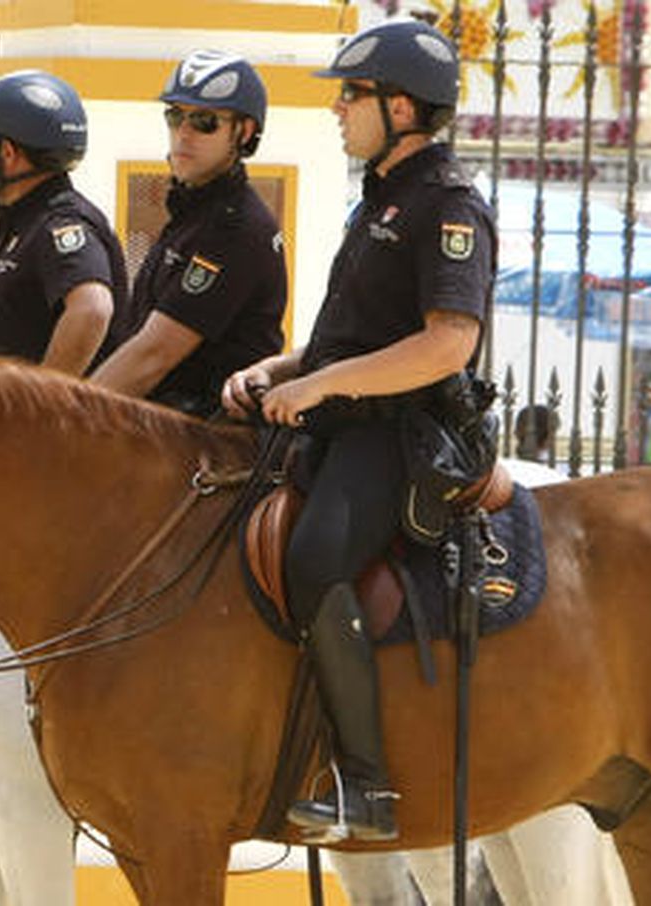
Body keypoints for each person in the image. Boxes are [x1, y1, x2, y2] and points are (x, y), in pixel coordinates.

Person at [221, 20, 496, 842]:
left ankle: (364, 785)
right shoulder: (381, 198)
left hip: (397, 432)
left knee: (314, 559)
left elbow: (449, 340)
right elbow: (355, 334)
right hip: (337, 420)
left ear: (401, 107)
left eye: (353, 94)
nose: (339, 109)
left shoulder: (448, 207)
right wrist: (281, 370)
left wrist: (321, 385)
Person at [89, 51, 286, 416]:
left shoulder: (236, 228)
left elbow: (155, 354)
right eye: (175, 116)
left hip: (209, 441)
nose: (183, 132)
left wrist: (67, 414)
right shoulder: (193, 213)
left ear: (242, 132)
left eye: (204, 121)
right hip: (164, 426)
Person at [0, 69, 132, 375]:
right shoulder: (30, 223)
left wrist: (43, 405)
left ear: (7, 152)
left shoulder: (60, 224)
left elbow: (92, 309)